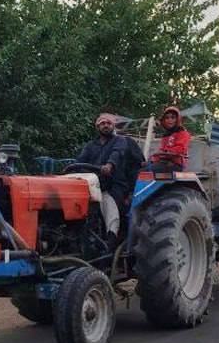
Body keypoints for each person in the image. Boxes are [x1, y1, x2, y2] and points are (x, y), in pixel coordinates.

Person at [75, 112, 137, 250]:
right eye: (103, 123)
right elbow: (80, 160)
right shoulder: (91, 145)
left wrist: (110, 165)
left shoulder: (119, 141)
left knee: (108, 202)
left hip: (114, 184)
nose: (106, 126)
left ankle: (111, 239)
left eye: (109, 123)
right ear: (98, 126)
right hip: (94, 184)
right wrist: (72, 168)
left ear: (113, 126)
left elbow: (117, 153)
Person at [147, 106, 191, 172]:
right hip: (164, 162)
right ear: (164, 120)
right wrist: (153, 160)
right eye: (167, 118)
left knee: (147, 170)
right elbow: (161, 150)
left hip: (175, 164)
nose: (170, 120)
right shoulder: (165, 135)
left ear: (177, 119)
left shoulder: (183, 133)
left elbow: (180, 148)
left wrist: (166, 152)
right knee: (138, 167)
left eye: (173, 117)